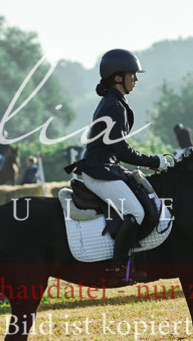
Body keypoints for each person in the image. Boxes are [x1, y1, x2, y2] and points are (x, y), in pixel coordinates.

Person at [67, 49, 171, 269]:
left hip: (106, 168)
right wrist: (155, 161)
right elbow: (122, 150)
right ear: (117, 77)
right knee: (136, 212)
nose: (136, 79)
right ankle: (118, 266)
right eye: (132, 74)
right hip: (99, 172)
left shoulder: (114, 102)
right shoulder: (113, 106)